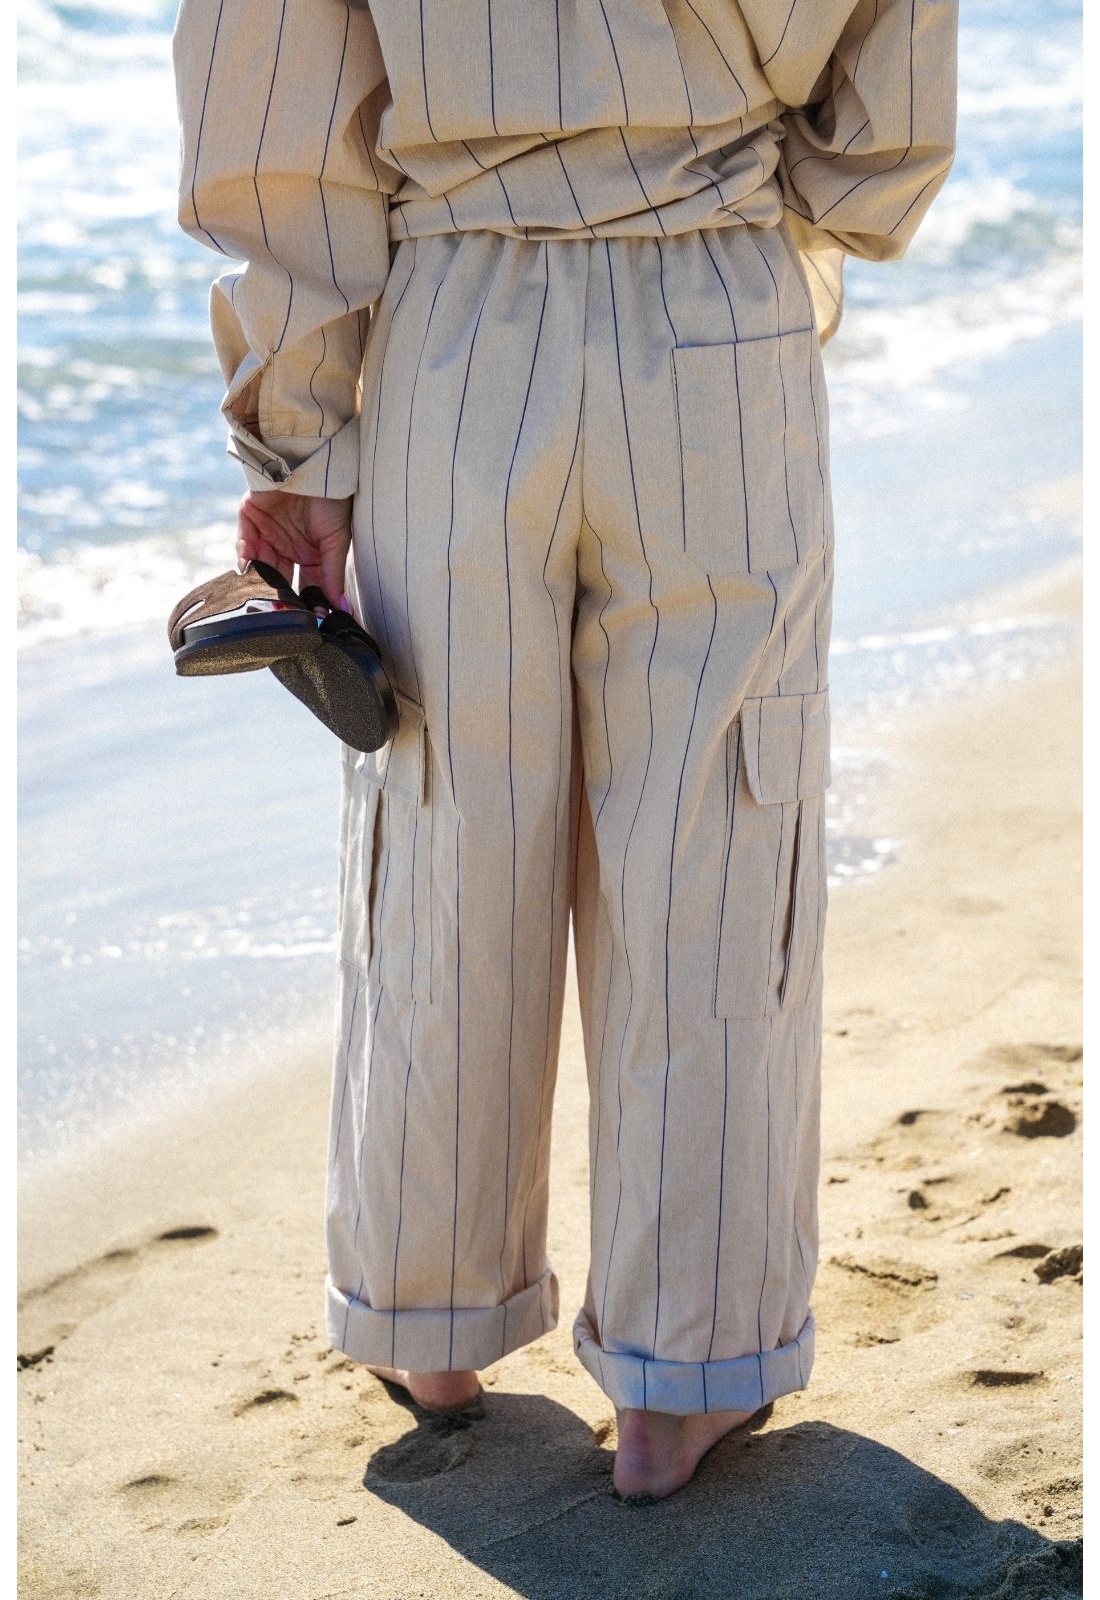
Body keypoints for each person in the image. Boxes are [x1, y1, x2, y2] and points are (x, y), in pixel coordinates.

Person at [172, 0, 957, 1501]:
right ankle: (687, 1370)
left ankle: (429, 1315)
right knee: (716, 837)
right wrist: (756, 184)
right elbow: (886, 121)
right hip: (721, 309)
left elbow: (271, 103)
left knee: (445, 818)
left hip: (453, 336)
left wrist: (299, 439)